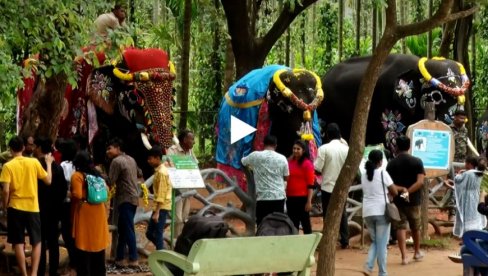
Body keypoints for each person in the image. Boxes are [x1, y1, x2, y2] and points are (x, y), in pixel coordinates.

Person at [0, 136, 53, 276]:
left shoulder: (7, 166)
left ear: (10, 150)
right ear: (23, 148)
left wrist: (4, 206)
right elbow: (48, 180)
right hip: (33, 208)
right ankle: (34, 273)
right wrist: (48, 163)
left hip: (15, 207)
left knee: (18, 242)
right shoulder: (34, 162)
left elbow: (5, 191)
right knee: (36, 241)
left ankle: (24, 273)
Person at [361, 150, 406, 276]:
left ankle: (369, 265)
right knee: (382, 243)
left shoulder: (364, 174)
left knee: (376, 241)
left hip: (367, 212)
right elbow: (394, 191)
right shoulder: (382, 173)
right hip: (381, 211)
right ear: (380, 161)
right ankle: (382, 272)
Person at [386, 136, 425, 265]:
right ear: (409, 146)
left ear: (396, 147)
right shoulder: (417, 161)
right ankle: (417, 252)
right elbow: (420, 182)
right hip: (414, 200)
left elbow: (389, 183)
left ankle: (404, 257)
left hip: (398, 200)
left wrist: (401, 190)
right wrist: (408, 191)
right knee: (415, 226)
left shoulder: (391, 163)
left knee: (400, 227)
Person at [71, 151, 109, 276]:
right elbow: (106, 191)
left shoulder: (77, 175)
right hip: (99, 210)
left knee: (84, 243)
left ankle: (84, 272)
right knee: (98, 243)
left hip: (85, 210)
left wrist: (69, 194)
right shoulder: (98, 174)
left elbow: (76, 194)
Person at [34, 137, 67, 276]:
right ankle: (53, 270)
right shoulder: (58, 167)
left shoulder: (37, 166)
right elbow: (64, 189)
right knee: (53, 242)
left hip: (39, 209)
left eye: (36, 146)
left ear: (40, 148)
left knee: (39, 241)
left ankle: (40, 270)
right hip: (55, 210)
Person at [314, 123, 350, 249]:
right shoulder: (346, 149)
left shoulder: (324, 149)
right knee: (342, 213)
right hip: (342, 186)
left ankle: (329, 239)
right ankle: (345, 239)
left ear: (327, 135)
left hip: (328, 187)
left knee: (328, 214)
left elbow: (317, 168)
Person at [241, 135, 289, 225]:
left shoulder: (255, 156)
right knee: (278, 224)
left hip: (262, 197)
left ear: (264, 144)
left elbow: (243, 161)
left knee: (262, 224)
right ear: (275, 145)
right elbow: (286, 177)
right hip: (278, 197)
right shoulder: (282, 158)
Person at [107, 138, 140, 267]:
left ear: (118, 148)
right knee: (123, 229)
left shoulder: (116, 161)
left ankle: (133, 258)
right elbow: (139, 173)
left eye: (110, 148)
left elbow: (111, 181)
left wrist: (99, 174)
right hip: (133, 198)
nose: (107, 151)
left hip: (125, 199)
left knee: (128, 229)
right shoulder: (131, 159)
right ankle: (119, 257)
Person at [167, 129, 198, 238]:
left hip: (187, 189)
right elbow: (171, 167)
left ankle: (179, 241)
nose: (193, 142)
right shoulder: (172, 150)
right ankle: (175, 242)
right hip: (177, 190)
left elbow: (195, 166)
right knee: (177, 218)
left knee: (184, 217)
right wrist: (187, 167)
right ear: (184, 140)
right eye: (192, 139)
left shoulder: (190, 151)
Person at [452, 156, 486, 238]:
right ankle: (476, 234)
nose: (465, 165)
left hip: (467, 198)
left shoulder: (467, 174)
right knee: (475, 214)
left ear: (469, 164)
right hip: (477, 196)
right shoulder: (480, 173)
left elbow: (458, 180)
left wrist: (459, 173)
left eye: (465, 163)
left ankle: (467, 236)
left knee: (467, 216)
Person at [146, 146, 172, 250]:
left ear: (157, 158)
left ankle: (161, 256)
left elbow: (161, 194)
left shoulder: (162, 173)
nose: (149, 161)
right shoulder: (159, 170)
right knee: (149, 233)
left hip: (161, 207)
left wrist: (157, 212)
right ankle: (162, 250)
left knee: (158, 233)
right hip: (158, 206)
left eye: (150, 158)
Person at [286, 140, 314, 234]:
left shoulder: (307, 164)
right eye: (294, 148)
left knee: (305, 223)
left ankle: (309, 245)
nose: (295, 150)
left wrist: (309, 201)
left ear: (303, 150)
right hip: (290, 197)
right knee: (293, 223)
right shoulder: (290, 162)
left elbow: (310, 184)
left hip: (302, 198)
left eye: (298, 149)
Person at [58, 139, 78, 272]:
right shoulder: (78, 164)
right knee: (75, 231)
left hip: (66, 202)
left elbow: (62, 184)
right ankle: (76, 258)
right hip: (78, 203)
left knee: (66, 231)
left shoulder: (63, 165)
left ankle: (74, 258)